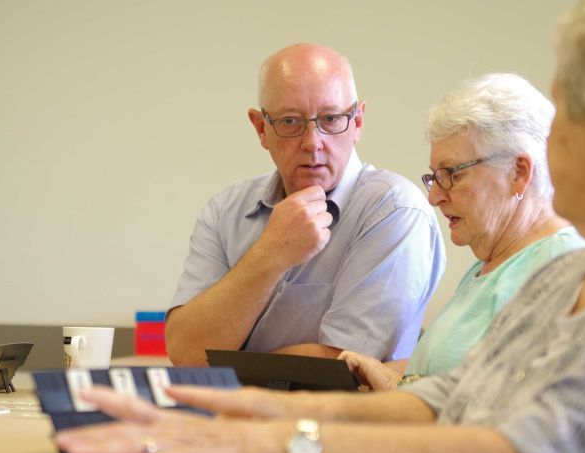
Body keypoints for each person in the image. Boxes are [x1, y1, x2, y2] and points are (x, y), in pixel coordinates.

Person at [55, 0, 585, 453]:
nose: (544, 144)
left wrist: (273, 440)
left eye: (559, 110)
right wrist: (267, 408)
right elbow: (448, 398)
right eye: (293, 121)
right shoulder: (568, 277)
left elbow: (531, 447)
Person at [165, 43, 446, 366]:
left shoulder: (394, 210)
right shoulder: (225, 210)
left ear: (357, 122)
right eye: (289, 122)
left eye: (330, 119)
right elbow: (186, 353)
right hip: (218, 414)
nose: (313, 143)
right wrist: (270, 254)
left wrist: (224, 362)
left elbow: (343, 366)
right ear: (261, 128)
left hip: (341, 416)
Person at [340, 73, 585, 390]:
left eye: (451, 175)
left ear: (519, 173)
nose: (434, 196)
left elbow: (509, 411)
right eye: (434, 177)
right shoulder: (489, 264)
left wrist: (396, 387)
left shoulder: (559, 265)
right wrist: (391, 378)